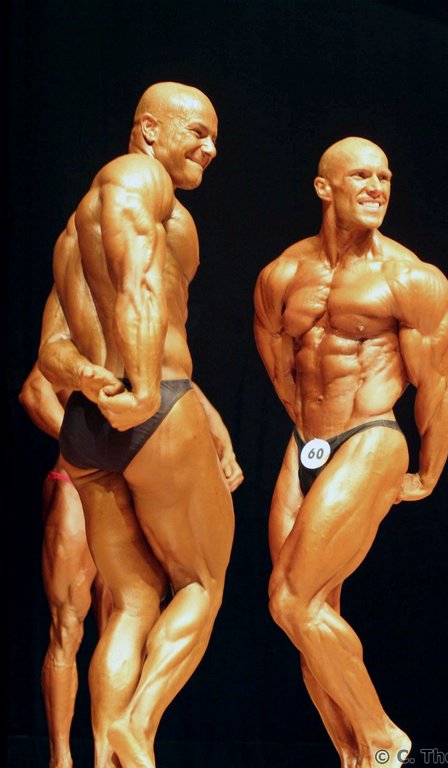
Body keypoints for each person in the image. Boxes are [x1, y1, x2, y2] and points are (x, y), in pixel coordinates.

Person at [38, 81, 243, 768]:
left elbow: (52, 350)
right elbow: (141, 289)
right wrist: (147, 390)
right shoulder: (139, 179)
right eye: (198, 133)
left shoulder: (73, 232)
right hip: (152, 405)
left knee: (131, 602)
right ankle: (139, 722)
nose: (210, 150)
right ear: (151, 129)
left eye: (214, 139)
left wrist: (91, 378)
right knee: (202, 584)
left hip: (87, 427)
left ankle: (110, 757)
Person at [254, 136, 448, 768]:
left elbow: (437, 385)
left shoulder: (411, 278)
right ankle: (356, 756)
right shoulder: (282, 274)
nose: (376, 188)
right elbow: (278, 363)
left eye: (385, 178)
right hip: (306, 443)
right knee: (307, 618)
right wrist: (307, 429)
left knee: (290, 598)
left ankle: (385, 739)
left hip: (370, 436)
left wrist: (428, 472)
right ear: (325, 188)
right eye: (362, 176)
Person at [19, 363, 113, 768]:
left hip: (127, 492)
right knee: (67, 628)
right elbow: (33, 391)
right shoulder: (75, 338)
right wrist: (81, 446)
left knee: (121, 629)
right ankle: (61, 760)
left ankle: (107, 757)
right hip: (76, 485)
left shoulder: (148, 340)